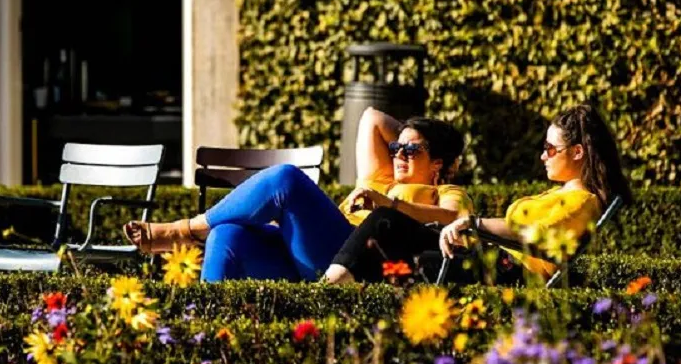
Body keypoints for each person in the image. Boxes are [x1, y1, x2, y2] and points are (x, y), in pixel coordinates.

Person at [123, 107, 472, 282]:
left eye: (411, 151)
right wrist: (415, 136)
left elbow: (454, 218)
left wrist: (391, 202)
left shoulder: (445, 190)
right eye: (396, 148)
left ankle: (186, 230)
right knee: (227, 235)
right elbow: (371, 118)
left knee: (286, 179)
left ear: (438, 164)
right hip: (309, 255)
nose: (398, 154)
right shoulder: (381, 176)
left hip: (352, 258)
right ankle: (205, 335)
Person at [324, 104, 632, 285]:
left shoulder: (582, 201)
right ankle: (336, 286)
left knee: (386, 225)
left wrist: (474, 223)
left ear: (577, 152)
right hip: (488, 258)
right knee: (389, 226)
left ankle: (328, 288)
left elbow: (536, 234)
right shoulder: (560, 193)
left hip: (505, 270)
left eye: (551, 149)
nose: (543, 156)